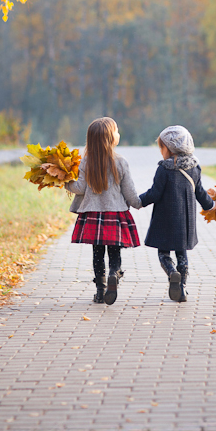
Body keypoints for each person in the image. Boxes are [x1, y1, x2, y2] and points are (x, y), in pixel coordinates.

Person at [65, 117, 142, 305]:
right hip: (115, 214)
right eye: (116, 131)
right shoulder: (121, 161)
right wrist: (139, 203)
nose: (118, 134)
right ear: (111, 138)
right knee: (115, 252)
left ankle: (100, 292)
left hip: (93, 215)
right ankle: (114, 274)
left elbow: (79, 188)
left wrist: (65, 181)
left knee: (97, 254)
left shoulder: (86, 161)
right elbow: (129, 192)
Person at [138, 125, 214, 302]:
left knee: (163, 253)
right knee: (182, 254)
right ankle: (182, 288)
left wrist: (138, 201)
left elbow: (154, 193)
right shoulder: (194, 168)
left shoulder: (164, 169)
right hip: (185, 222)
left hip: (165, 219)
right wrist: (211, 205)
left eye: (161, 147)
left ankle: (172, 272)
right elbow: (200, 193)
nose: (160, 151)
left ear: (170, 148)